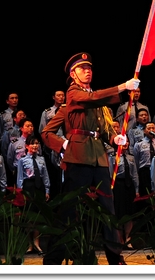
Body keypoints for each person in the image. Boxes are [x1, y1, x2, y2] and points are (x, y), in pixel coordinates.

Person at [40, 52, 139, 265]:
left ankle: (115, 257)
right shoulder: (73, 94)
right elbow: (46, 132)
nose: (87, 71)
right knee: (69, 210)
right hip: (78, 157)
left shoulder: (97, 102)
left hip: (99, 158)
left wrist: (114, 139)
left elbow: (102, 129)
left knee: (108, 210)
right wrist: (63, 144)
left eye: (89, 68)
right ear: (73, 75)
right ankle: (53, 259)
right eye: (82, 68)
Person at [16, 135, 50, 255]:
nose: (35, 146)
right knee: (29, 216)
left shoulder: (41, 159)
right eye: (32, 143)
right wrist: (20, 193)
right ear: (27, 146)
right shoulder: (22, 160)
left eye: (37, 143)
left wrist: (47, 190)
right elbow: (20, 177)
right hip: (28, 187)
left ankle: (37, 242)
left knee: (37, 216)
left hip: (39, 187)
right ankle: (29, 244)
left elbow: (45, 176)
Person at [108, 127, 139, 248]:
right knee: (119, 211)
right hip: (118, 185)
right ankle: (119, 238)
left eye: (127, 141)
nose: (125, 143)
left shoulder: (131, 157)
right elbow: (110, 174)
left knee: (129, 212)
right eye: (123, 141)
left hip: (129, 186)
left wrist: (137, 189)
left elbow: (134, 174)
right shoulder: (113, 157)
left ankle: (128, 238)